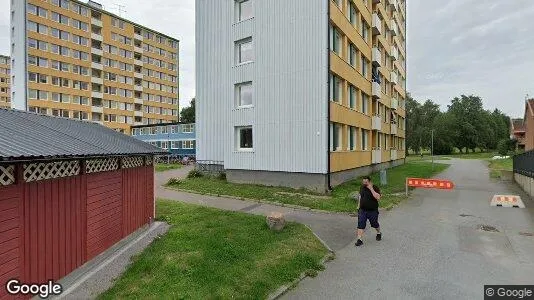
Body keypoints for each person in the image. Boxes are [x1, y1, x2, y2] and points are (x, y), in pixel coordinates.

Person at [355, 176, 382, 247]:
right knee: (360, 224)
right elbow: (360, 196)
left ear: (369, 182)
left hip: (372, 210)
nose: (364, 184)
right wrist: (358, 206)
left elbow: (378, 198)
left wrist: (371, 189)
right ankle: (359, 239)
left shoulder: (375, 187)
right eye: (363, 182)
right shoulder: (362, 187)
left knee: (374, 223)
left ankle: (378, 233)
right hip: (362, 210)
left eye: (366, 182)